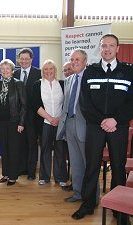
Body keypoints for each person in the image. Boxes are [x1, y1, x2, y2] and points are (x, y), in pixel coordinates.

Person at [72, 34, 133, 225]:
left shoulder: (129, 71)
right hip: (95, 127)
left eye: (111, 46)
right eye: (104, 46)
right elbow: (85, 102)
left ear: (117, 48)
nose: (107, 49)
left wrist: (115, 120)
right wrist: (102, 121)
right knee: (91, 167)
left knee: (117, 167)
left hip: (119, 127)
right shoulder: (91, 71)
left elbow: (131, 102)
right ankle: (88, 204)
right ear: (100, 48)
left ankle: (119, 210)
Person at [57, 49, 88, 201]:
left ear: (85, 62)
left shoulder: (90, 78)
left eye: (77, 59)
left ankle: (90, 198)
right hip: (69, 124)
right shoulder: (69, 80)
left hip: (84, 126)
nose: (74, 62)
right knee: (74, 162)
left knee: (88, 164)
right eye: (72, 59)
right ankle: (77, 193)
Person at [32, 59, 67, 186]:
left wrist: (58, 119)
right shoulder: (37, 84)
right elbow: (36, 105)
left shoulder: (63, 84)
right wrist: (50, 119)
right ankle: (44, 177)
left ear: (55, 70)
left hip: (60, 122)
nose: (48, 71)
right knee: (45, 150)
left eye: (51, 68)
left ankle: (60, 178)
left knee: (60, 150)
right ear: (43, 71)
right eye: (45, 69)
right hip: (45, 123)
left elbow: (66, 104)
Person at [0, 59, 26, 186]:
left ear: (12, 71)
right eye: (3, 69)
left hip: (14, 122)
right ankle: (5, 174)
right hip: (1, 122)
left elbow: (24, 106)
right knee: (4, 149)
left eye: (7, 69)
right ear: (0, 71)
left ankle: (13, 176)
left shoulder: (19, 84)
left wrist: (21, 123)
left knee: (13, 149)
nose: (5, 71)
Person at [13, 48, 41, 180]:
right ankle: (20, 168)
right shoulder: (14, 73)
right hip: (17, 116)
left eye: (26, 59)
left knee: (31, 144)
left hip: (33, 116)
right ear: (18, 59)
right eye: (21, 59)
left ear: (31, 59)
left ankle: (31, 172)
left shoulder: (39, 73)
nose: (23, 61)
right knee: (19, 143)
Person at [60, 61, 74, 192]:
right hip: (66, 126)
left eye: (69, 69)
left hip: (78, 127)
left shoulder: (79, 83)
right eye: (65, 70)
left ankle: (77, 184)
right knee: (70, 156)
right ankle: (74, 183)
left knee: (77, 158)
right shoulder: (65, 83)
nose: (67, 72)